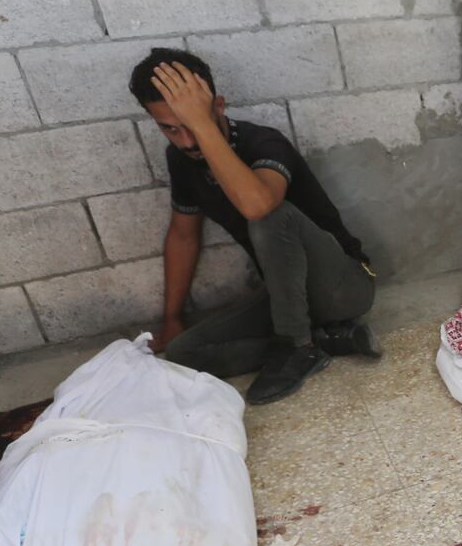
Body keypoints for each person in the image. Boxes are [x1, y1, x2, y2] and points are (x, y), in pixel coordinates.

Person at [128, 49, 380, 404]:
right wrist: (172, 317)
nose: (186, 141)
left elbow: (258, 204)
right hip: (286, 297)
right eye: (170, 129)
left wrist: (201, 123)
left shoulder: (263, 142)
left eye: (191, 125)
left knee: (268, 213)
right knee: (185, 352)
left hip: (344, 287)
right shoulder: (181, 160)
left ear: (218, 106)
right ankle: (328, 340)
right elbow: (183, 236)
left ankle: (297, 348)